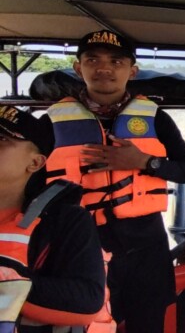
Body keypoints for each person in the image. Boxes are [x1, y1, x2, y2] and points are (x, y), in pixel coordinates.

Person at [39, 30, 185, 333]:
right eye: (93, 60)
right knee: (92, 326)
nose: (104, 68)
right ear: (79, 68)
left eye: (116, 61)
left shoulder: (156, 119)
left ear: (132, 71)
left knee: (148, 324)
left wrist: (144, 162)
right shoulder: (51, 122)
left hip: (147, 246)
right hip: (82, 246)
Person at [0, 105, 107, 332]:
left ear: (35, 163)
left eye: (1, 139)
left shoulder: (65, 221)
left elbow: (87, 301)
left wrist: (11, 284)